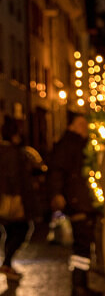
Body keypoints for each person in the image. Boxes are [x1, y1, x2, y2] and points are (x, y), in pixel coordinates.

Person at [49, 112, 99, 296]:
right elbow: (58, 171)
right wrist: (59, 194)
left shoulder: (77, 144)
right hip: (78, 202)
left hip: (81, 201)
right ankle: (79, 286)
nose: (84, 129)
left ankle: (81, 284)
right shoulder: (70, 145)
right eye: (81, 125)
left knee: (83, 244)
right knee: (81, 244)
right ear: (72, 125)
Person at [0, 115, 34, 283]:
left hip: (4, 199)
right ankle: (6, 264)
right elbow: (14, 176)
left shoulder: (3, 150)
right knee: (21, 230)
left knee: (11, 232)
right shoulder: (13, 152)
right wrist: (19, 197)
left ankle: (7, 264)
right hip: (13, 200)